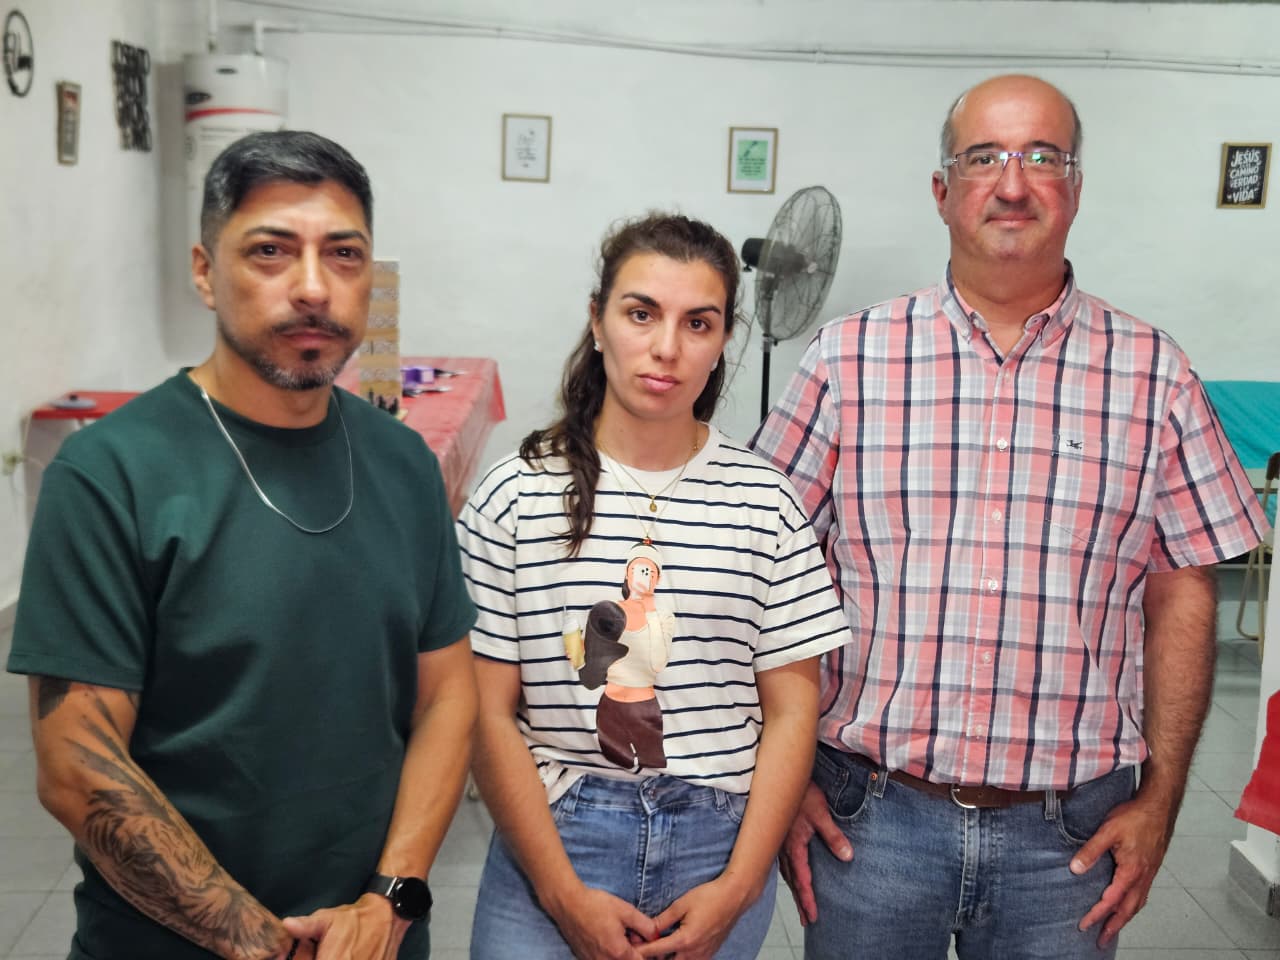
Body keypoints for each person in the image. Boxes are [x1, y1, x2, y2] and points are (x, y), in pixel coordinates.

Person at [751, 74, 1267, 959]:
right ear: (942, 189)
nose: (1014, 183)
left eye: (1043, 157)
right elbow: (763, 570)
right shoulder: (849, 360)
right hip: (869, 820)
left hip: (1069, 841)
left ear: (1077, 186)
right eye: (985, 157)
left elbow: (1183, 591)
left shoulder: (1155, 375)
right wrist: (779, 775)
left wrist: (1161, 802)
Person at [6, 130, 478, 960]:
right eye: (270, 251)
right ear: (204, 271)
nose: (313, 287)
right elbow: (78, 766)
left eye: (343, 254)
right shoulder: (112, 473)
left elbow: (446, 698)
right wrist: (266, 945)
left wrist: (390, 899)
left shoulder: (404, 462)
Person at [456, 213, 852, 960]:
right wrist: (560, 893)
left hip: (717, 841)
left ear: (723, 339)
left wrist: (740, 886)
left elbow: (792, 711)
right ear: (597, 321)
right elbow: (484, 711)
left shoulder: (765, 504)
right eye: (641, 314)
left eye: (697, 323)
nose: (667, 347)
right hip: (555, 834)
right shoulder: (516, 496)